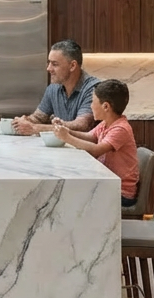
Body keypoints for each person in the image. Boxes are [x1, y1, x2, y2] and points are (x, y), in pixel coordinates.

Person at [53, 79, 140, 207]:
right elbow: (90, 137)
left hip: (120, 193)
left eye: (93, 102)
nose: (91, 106)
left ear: (105, 106)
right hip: (107, 184)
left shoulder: (121, 128)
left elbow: (96, 150)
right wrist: (67, 130)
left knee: (71, 196)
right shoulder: (106, 124)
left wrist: (67, 138)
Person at [12, 39, 99, 135]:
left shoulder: (94, 89)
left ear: (72, 66)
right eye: (49, 63)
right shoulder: (53, 88)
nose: (48, 68)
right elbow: (39, 117)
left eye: (54, 64)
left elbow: (82, 126)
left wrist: (35, 128)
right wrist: (24, 121)